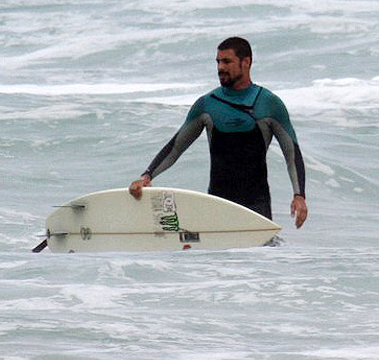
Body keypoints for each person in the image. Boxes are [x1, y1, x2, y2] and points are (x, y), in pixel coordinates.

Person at [129, 37, 308, 229]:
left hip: (256, 208)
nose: (220, 67)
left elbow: (291, 152)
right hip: (217, 204)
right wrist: (147, 176)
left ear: (246, 62)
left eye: (227, 61)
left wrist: (299, 196)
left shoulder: (268, 104)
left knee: (259, 257)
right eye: (218, 62)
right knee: (218, 260)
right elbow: (176, 147)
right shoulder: (207, 104)